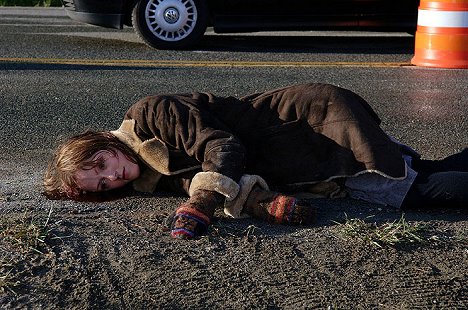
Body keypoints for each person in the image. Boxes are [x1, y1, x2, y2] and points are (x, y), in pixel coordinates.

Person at [44, 83, 468, 239]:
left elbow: (222, 148)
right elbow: (227, 183)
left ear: (100, 141)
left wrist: (203, 204)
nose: (111, 175)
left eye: (100, 163)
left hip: (312, 126)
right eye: (102, 184)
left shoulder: (151, 112)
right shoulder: (152, 176)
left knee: (415, 193)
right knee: (428, 170)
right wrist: (266, 204)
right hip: (301, 148)